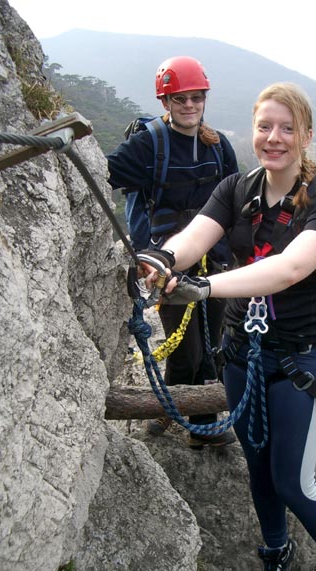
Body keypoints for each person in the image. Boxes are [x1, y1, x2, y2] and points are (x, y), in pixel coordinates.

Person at [142, 82, 316, 571]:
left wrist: (208, 287)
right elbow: (195, 236)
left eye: (287, 128)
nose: (274, 138)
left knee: (293, 480)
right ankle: (275, 548)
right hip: (243, 354)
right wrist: (164, 261)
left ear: (306, 136)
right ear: (252, 131)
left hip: (303, 358)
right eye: (265, 126)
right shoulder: (239, 189)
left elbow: (289, 268)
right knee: (258, 470)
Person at [107, 56, 239, 448]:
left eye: (196, 98)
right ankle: (201, 421)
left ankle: (171, 408)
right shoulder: (148, 144)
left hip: (213, 259)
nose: (190, 106)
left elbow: (235, 199)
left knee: (214, 340)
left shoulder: (217, 146)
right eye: (180, 99)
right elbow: (105, 173)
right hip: (164, 263)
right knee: (185, 347)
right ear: (165, 102)